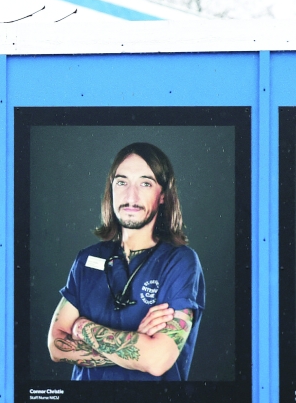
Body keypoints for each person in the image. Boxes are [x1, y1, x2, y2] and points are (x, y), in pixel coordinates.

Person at [47, 142, 205, 381]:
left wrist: (81, 327)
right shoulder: (88, 259)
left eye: (145, 183)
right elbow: (56, 346)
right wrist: (133, 346)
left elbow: (157, 360)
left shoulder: (180, 262)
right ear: (111, 190)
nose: (131, 196)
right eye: (122, 182)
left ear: (162, 195)